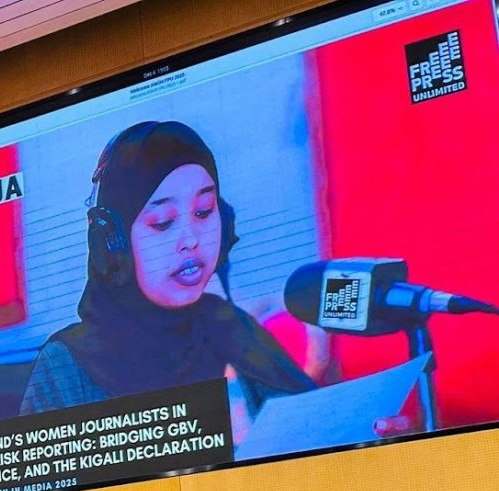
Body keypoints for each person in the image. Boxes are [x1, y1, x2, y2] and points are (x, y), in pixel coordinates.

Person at [19, 120, 314, 417]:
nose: (190, 239)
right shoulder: (63, 366)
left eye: (203, 211)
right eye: (162, 222)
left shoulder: (232, 327)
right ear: (113, 245)